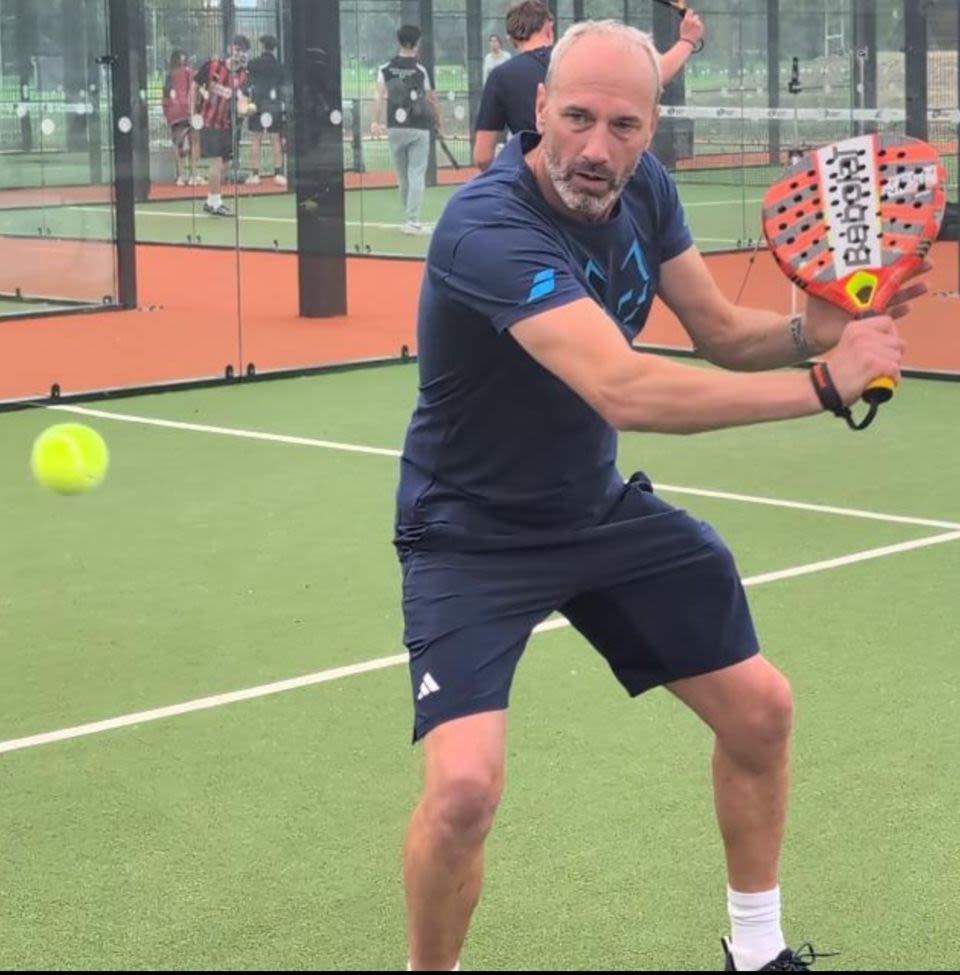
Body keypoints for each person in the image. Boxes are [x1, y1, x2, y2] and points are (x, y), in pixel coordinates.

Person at [395, 19, 926, 973]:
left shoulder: (645, 190)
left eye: (625, 126)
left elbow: (718, 330)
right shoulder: (484, 227)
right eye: (577, 118)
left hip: (592, 509)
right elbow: (625, 389)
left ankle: (756, 952)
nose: (597, 149)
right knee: (464, 791)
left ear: (651, 127)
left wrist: (813, 331)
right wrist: (823, 384)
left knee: (760, 710)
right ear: (539, 108)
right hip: (469, 533)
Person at [472, 0, 705, 171]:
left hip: (536, 192)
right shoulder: (581, 58)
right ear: (549, 28)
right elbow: (654, 75)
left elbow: (483, 157)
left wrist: (516, 180)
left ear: (511, 39)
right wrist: (687, 40)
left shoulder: (500, 77)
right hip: (602, 176)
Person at [371, 25, 443, 235]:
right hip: (419, 127)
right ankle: (412, 220)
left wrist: (375, 121)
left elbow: (378, 96)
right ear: (416, 43)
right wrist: (439, 123)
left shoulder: (385, 68)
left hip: (395, 127)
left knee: (402, 176)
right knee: (416, 174)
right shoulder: (421, 70)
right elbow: (432, 100)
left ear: (399, 42)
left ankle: (409, 218)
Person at [193, 34, 252, 216]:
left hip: (228, 125)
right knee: (217, 163)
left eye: (243, 51)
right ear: (229, 49)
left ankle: (211, 201)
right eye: (237, 49)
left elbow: (243, 102)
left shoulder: (244, 76)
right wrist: (193, 113)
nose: (239, 54)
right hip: (209, 123)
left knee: (226, 164)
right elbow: (194, 86)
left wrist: (245, 109)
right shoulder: (212, 66)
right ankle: (216, 203)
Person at [245, 34, 288, 187]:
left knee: (256, 139)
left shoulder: (252, 64)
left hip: (256, 104)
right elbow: (283, 88)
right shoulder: (279, 66)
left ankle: (255, 175)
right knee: (275, 139)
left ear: (262, 46)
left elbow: (248, 84)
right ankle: (278, 173)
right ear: (274, 48)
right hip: (274, 105)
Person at [161, 50, 200, 186]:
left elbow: (165, 97)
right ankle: (194, 175)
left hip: (174, 114)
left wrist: (167, 113)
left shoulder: (170, 75)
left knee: (178, 144)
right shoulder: (190, 73)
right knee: (194, 142)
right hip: (188, 111)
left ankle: (181, 176)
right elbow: (195, 92)